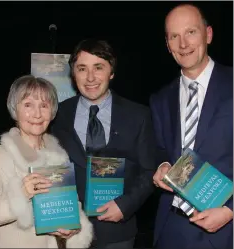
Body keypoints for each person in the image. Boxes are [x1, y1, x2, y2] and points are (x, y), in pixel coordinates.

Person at [51, 39, 157, 249]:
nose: (90, 77)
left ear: (111, 72)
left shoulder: (139, 115)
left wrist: (125, 205)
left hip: (118, 233)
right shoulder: (56, 115)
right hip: (69, 230)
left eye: (98, 67)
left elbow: (149, 170)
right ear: (73, 74)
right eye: (82, 69)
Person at [0, 75, 93, 248]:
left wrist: (73, 229)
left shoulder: (60, 157)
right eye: (28, 105)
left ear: (52, 110)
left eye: (44, 105)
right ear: (14, 109)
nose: (37, 114)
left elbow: (71, 208)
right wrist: (20, 195)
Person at [151, 3, 233, 249]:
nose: (183, 44)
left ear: (208, 34)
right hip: (171, 229)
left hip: (226, 230)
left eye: (191, 32)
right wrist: (162, 165)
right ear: (168, 45)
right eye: (174, 36)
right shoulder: (160, 99)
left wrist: (230, 210)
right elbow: (160, 149)